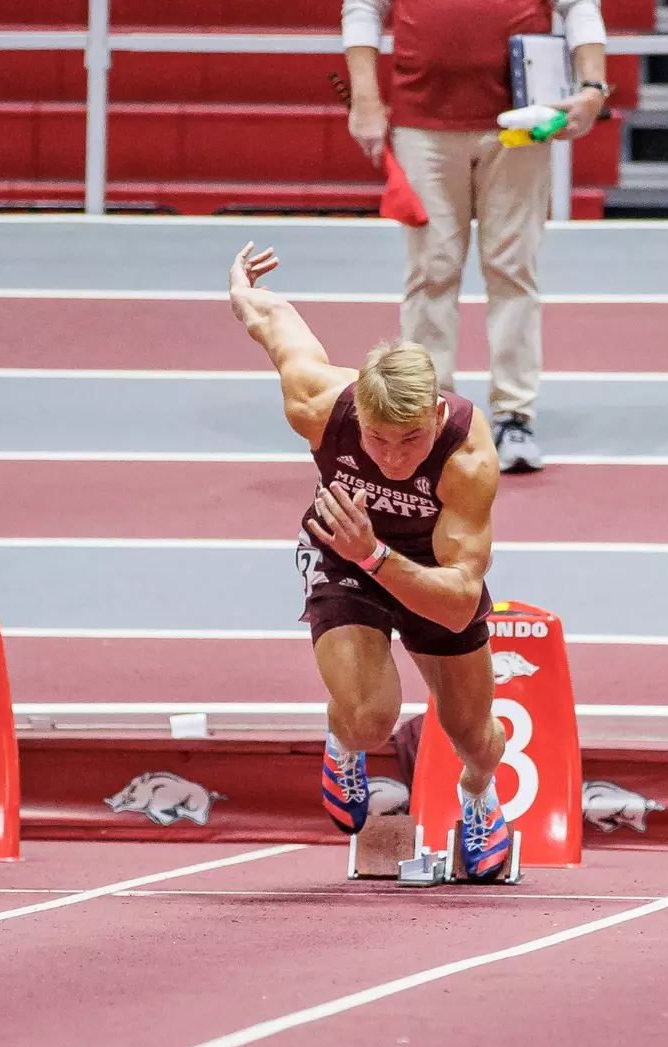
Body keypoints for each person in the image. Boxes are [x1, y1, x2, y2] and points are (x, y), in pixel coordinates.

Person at [228, 241, 515, 880]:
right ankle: (345, 744)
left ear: (437, 415)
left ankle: (477, 795)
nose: (390, 457)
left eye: (409, 440)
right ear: (357, 410)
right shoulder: (319, 405)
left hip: (428, 568)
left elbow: (462, 596)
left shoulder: (466, 458)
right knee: (369, 718)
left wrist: (378, 554)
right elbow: (277, 330)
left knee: (476, 736)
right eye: (375, 439)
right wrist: (245, 289)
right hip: (343, 551)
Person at [341, 0, 614, 473]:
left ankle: (513, 415)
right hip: (422, 126)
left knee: (513, 267)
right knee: (431, 271)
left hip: (523, 123)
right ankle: (429, 411)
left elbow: (579, 6)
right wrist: (365, 99)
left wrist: (592, 87)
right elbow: (363, 7)